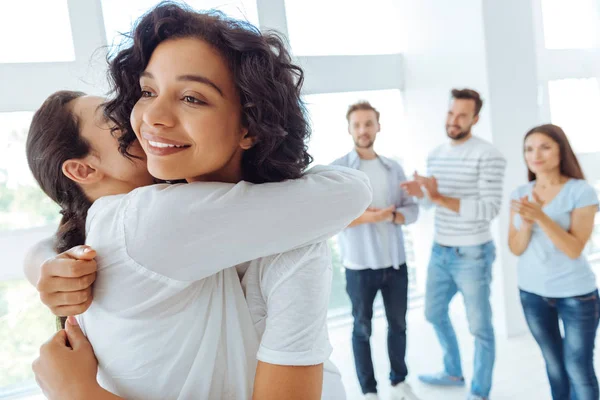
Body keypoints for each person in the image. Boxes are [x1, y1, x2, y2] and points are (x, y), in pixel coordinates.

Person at [26, 4, 373, 400]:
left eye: (191, 97)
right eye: (147, 91)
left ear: (249, 125)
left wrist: (80, 394)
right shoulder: (146, 219)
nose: (150, 117)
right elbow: (349, 190)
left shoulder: (286, 240)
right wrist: (43, 262)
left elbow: (349, 191)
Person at [401, 89, 506, 400]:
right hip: (440, 250)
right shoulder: (436, 154)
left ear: (475, 119)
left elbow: (489, 209)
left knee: (480, 329)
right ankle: (453, 371)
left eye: (462, 115)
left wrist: (438, 197)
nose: (454, 120)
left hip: (473, 254)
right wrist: (424, 194)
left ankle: (480, 390)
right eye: (451, 113)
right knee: (433, 313)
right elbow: (436, 205)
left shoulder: (488, 155)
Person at [331, 101, 420, 400]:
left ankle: (399, 382)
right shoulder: (339, 170)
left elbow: (412, 210)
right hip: (359, 266)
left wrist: (392, 215)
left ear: (378, 126)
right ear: (349, 129)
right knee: (362, 329)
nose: (363, 130)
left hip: (395, 264)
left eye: (368, 123)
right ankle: (369, 391)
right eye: (357, 125)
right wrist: (373, 216)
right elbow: (335, 219)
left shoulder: (393, 168)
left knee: (398, 325)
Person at [509, 124, 599, 400]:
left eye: (545, 147)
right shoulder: (520, 193)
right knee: (555, 365)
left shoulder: (581, 191)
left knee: (578, 367)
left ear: (561, 151)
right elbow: (515, 247)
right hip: (533, 293)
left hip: (576, 295)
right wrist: (525, 224)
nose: (536, 154)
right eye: (529, 148)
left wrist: (541, 217)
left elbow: (573, 249)